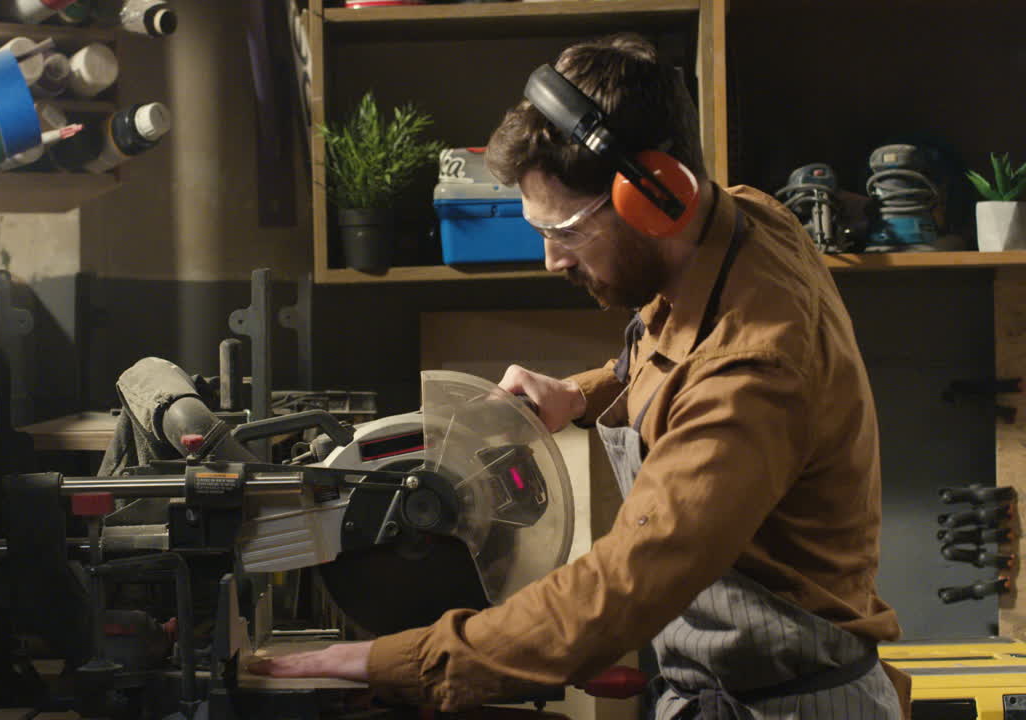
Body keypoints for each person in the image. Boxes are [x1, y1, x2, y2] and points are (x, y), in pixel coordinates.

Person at [252, 33, 909, 719]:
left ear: (655, 199)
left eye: (564, 230)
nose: (549, 259)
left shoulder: (753, 371)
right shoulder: (739, 221)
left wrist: (392, 660)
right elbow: (671, 352)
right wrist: (582, 393)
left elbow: (627, 584)